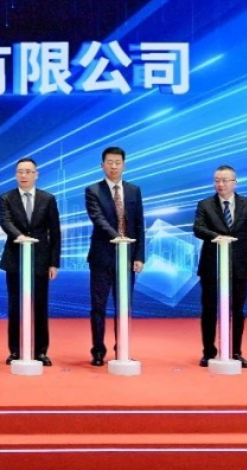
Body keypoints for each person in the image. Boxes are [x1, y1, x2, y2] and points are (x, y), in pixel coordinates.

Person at [193, 165, 247, 369]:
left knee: (238, 311)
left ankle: (236, 352)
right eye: (216, 180)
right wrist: (217, 237)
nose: (220, 184)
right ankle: (208, 352)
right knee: (209, 310)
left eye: (224, 180)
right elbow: (198, 228)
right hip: (211, 266)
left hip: (239, 266)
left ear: (234, 182)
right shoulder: (205, 204)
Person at [84, 146, 145, 366]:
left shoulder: (134, 190)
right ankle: (98, 351)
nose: (113, 166)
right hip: (101, 257)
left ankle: (123, 349)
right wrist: (117, 237)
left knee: (124, 306)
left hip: (127, 258)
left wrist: (139, 256)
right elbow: (98, 218)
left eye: (117, 162)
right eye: (109, 162)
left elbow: (139, 224)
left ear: (124, 165)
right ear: (102, 165)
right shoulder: (93, 190)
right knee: (98, 306)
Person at [0, 157, 61, 366]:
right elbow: (5, 221)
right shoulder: (6, 197)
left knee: (40, 307)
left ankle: (41, 351)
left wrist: (54, 262)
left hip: (41, 260)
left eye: (28, 171)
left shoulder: (47, 198)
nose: (23, 175)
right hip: (15, 259)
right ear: (16, 175)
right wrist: (20, 236)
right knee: (15, 307)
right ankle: (15, 351)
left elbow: (55, 232)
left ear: (36, 174)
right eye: (20, 172)